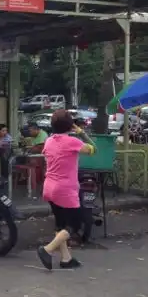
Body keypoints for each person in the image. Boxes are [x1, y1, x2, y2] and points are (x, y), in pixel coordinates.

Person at [37, 109, 96, 271]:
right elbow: (93, 149)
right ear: (70, 126)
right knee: (75, 224)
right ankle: (47, 249)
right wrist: (81, 132)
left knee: (61, 224)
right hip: (66, 189)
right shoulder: (72, 142)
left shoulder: (49, 141)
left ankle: (66, 259)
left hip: (49, 187)